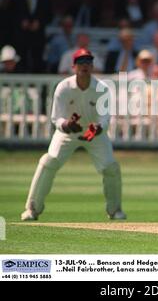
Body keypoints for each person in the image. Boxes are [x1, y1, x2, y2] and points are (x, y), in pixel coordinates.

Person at [21, 48, 126, 221]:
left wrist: (97, 128)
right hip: (68, 133)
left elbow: (105, 118)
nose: (84, 66)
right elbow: (56, 118)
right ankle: (32, 209)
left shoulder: (102, 88)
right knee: (49, 161)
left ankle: (115, 211)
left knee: (110, 167)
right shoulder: (63, 87)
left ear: (92, 66)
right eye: (80, 62)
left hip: (95, 134)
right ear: (73, 66)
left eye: (88, 62)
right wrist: (67, 125)